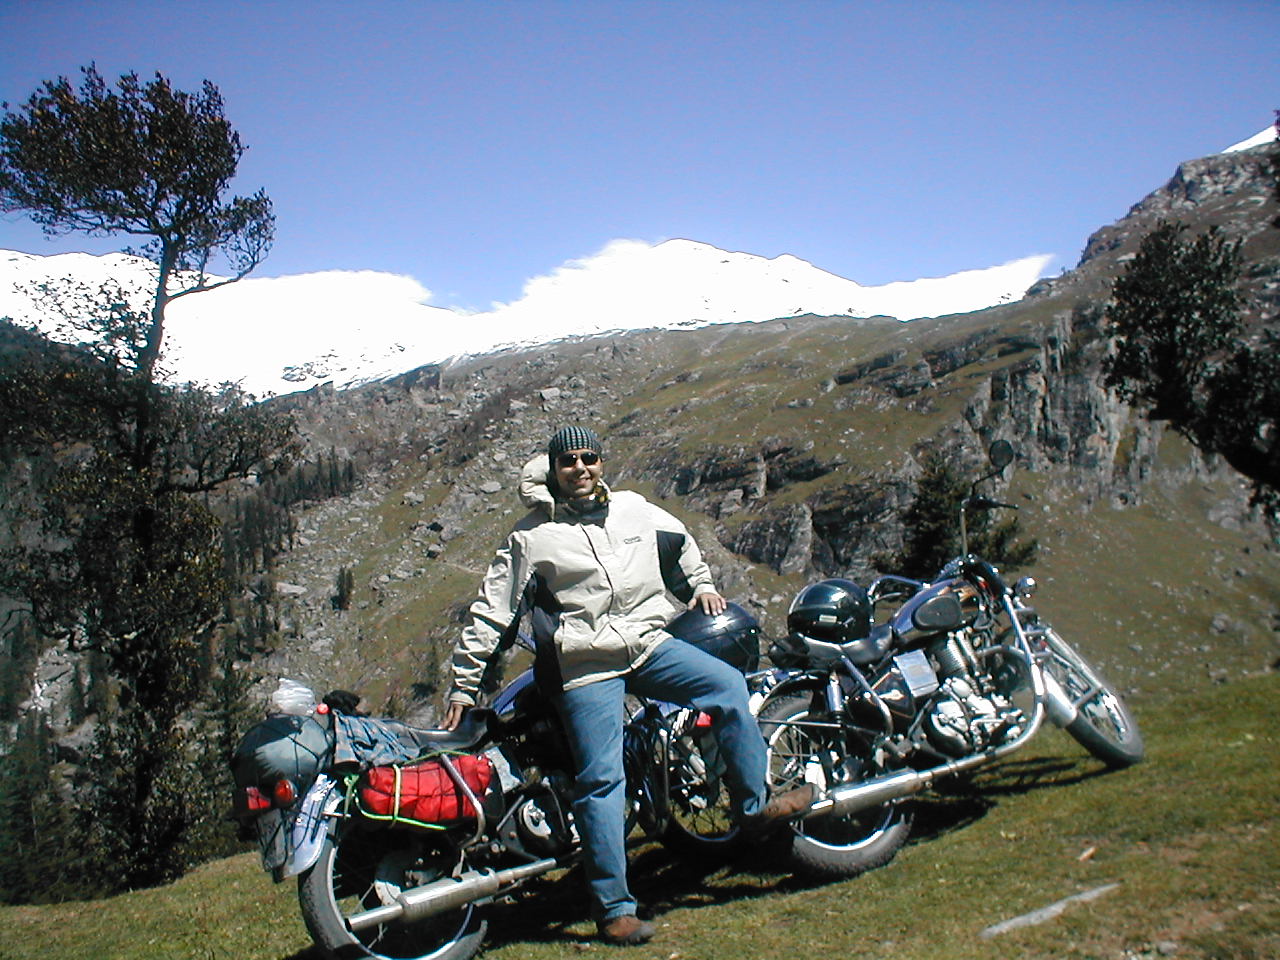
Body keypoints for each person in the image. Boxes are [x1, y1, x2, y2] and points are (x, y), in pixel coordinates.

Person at [443, 425, 813, 946]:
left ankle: (753, 811)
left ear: (600, 462)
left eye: (588, 457)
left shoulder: (634, 508)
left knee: (729, 687)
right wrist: (464, 686)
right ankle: (615, 908)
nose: (580, 467)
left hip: (647, 645)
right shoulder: (529, 537)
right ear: (553, 470)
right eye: (568, 461)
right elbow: (492, 612)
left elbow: (681, 544)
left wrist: (702, 585)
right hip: (584, 665)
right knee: (602, 780)